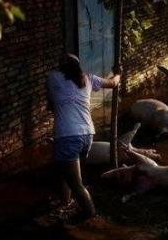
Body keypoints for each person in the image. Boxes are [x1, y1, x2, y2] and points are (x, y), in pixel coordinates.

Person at [46, 54, 120, 220]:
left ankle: (90, 215)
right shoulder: (88, 78)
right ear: (78, 66)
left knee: (76, 184)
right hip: (87, 134)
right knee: (65, 170)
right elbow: (114, 83)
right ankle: (65, 201)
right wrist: (117, 72)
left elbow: (50, 105)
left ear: (60, 67)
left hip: (67, 136)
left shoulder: (52, 78)